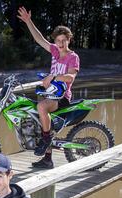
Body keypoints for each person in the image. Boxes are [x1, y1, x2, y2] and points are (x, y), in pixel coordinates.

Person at [17, 6, 80, 169]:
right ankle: (47, 159)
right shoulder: (54, 51)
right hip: (50, 93)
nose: (60, 43)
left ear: (69, 40)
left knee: (41, 107)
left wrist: (53, 76)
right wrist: (28, 21)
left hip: (62, 96)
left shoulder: (73, 57)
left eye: (63, 40)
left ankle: (46, 140)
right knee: (39, 117)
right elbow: (39, 39)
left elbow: (70, 77)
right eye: (57, 40)